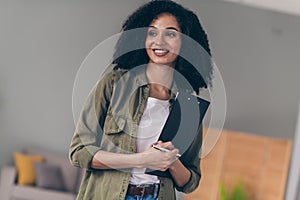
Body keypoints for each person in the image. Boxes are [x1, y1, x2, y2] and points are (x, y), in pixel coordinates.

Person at [69, 0, 213, 199]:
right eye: (152, 32)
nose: (159, 41)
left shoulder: (188, 106)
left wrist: (171, 161)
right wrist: (142, 160)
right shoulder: (113, 84)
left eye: (170, 34)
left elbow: (190, 182)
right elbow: (80, 152)